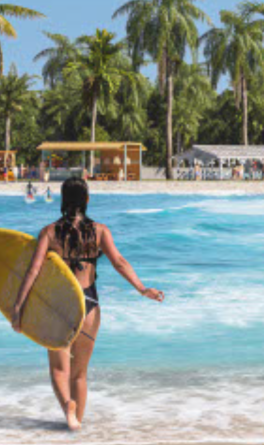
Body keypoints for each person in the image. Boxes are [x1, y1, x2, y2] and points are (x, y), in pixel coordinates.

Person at [9, 177, 163, 431]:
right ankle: (76, 427)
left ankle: (68, 409)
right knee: (79, 373)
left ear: (62, 200)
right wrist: (142, 288)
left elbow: (33, 270)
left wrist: (18, 307)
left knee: (60, 370)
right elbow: (120, 262)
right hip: (88, 302)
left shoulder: (49, 232)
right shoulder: (101, 231)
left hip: (58, 306)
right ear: (87, 200)